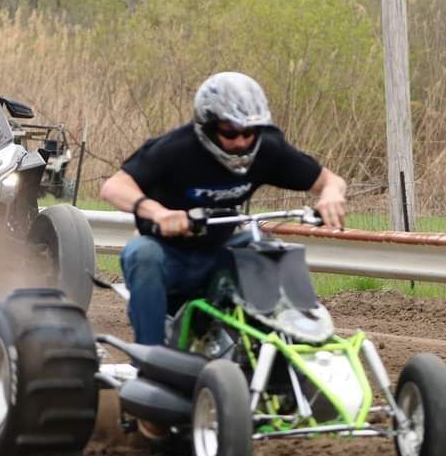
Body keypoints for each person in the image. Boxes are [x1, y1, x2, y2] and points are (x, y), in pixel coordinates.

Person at [99, 71, 347, 347]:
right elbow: (114, 186)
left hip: (219, 255)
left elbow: (330, 181)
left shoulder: (268, 149)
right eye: (230, 132)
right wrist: (157, 212)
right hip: (168, 257)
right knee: (141, 253)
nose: (241, 141)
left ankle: (285, 352)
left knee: (266, 251)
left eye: (249, 132)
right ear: (208, 126)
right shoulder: (176, 148)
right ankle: (150, 357)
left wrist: (331, 194)